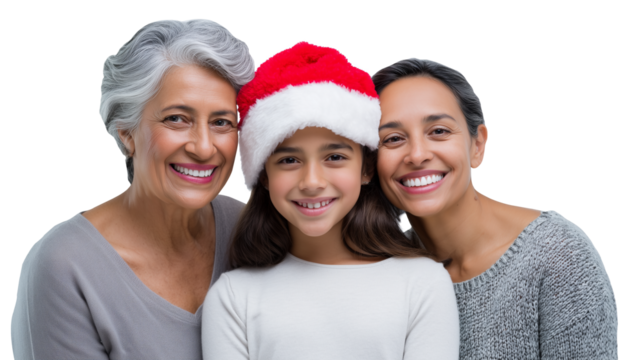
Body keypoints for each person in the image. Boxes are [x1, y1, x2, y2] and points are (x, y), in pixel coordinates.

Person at [10, 18, 254, 359]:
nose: (203, 147)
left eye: (221, 122)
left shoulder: (250, 228)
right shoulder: (64, 265)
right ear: (126, 131)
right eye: (176, 119)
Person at [201, 40, 459, 360]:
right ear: (264, 177)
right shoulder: (233, 297)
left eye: (334, 156)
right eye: (289, 161)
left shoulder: (422, 282)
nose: (312, 182)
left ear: (365, 168)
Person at [373, 57, 619, 359]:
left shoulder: (558, 256)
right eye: (393, 138)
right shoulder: (389, 274)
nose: (417, 154)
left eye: (438, 131)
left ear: (478, 145)